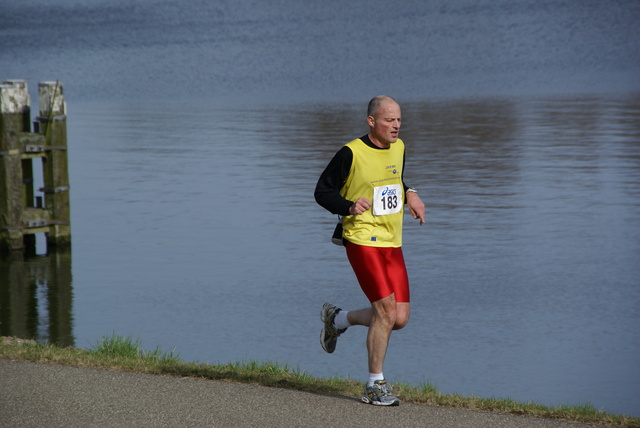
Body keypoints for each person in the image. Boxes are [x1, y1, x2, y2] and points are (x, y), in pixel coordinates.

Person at [314, 95, 426, 406]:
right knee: (385, 311)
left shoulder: (399, 148)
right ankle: (374, 385)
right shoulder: (351, 153)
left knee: (399, 318)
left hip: (392, 242)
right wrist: (348, 205)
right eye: (390, 120)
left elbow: (395, 180)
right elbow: (322, 191)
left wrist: (411, 194)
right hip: (362, 240)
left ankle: (338, 319)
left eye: (399, 120)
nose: (396, 126)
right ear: (372, 121)